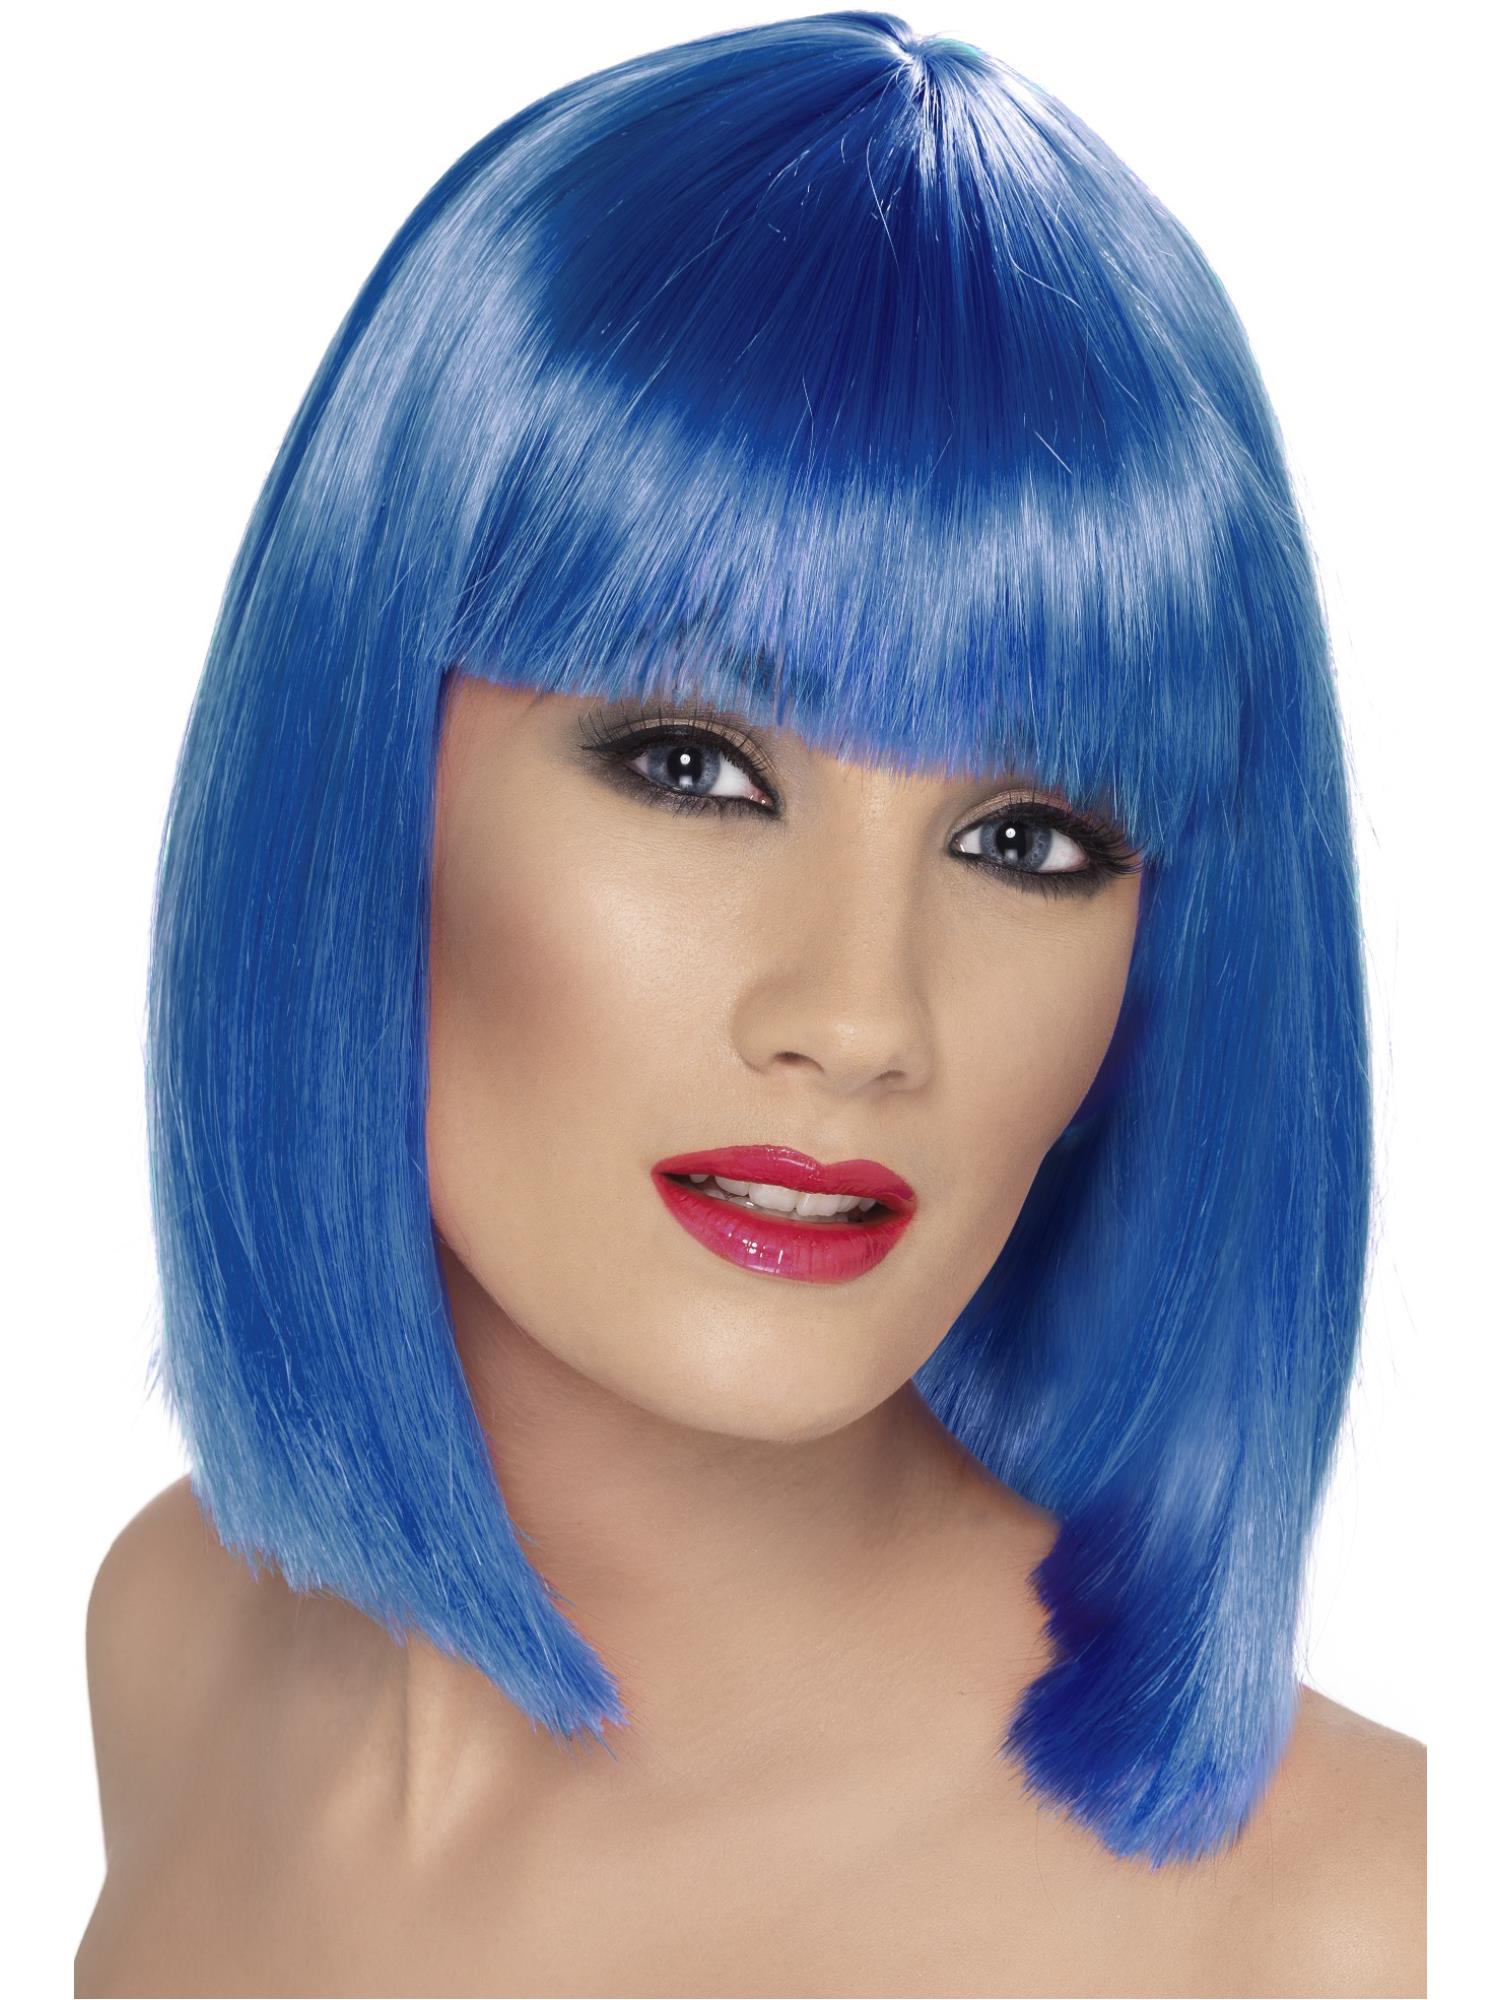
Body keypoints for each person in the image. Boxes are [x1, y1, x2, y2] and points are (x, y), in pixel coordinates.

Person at [76, 12, 1426, 1996]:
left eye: (1028, 838)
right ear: (362, 776)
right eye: (696, 766)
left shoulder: (1348, 1925)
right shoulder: (178, 1637)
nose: (861, 1015)